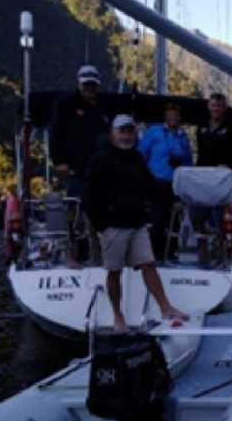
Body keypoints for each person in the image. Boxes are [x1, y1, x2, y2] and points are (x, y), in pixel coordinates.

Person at [83, 114, 188, 333]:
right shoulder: (99, 160)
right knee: (115, 273)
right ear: (112, 134)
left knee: (149, 265)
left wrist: (174, 196)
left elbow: (152, 187)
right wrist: (102, 225)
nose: (126, 135)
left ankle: (166, 308)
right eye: (122, 131)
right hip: (112, 226)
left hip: (137, 223)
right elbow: (89, 198)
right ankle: (118, 317)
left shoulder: (138, 159)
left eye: (130, 131)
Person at [49, 65, 111, 265]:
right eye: (86, 84)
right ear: (79, 82)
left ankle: (96, 254)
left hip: (100, 173)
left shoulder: (103, 108)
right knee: (73, 214)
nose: (89, 87)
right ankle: (70, 254)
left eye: (93, 84)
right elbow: (55, 134)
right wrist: (59, 161)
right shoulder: (65, 104)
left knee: (98, 214)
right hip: (74, 170)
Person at [137, 103, 193, 258]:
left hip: (176, 184)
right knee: (158, 218)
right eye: (170, 115)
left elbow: (188, 161)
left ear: (179, 117)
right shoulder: (154, 132)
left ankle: (171, 252)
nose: (173, 118)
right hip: (156, 182)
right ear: (165, 117)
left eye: (175, 115)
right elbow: (141, 154)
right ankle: (155, 253)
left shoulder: (183, 137)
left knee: (174, 219)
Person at [196, 93, 232, 198]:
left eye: (219, 106)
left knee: (222, 214)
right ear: (208, 106)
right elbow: (201, 153)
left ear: (225, 108)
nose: (216, 109)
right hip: (206, 182)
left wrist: (229, 168)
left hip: (227, 183)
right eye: (213, 105)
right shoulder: (202, 128)